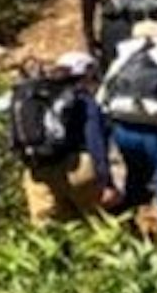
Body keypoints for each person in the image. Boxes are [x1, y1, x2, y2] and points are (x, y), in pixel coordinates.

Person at [94, 10, 157, 237]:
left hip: (124, 130)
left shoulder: (122, 59)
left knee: (136, 175)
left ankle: (133, 228)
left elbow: (102, 98)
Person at [7, 50, 112, 226]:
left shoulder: (29, 94)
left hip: (37, 169)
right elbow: (95, 139)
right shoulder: (81, 98)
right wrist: (105, 180)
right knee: (95, 225)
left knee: (48, 230)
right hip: (77, 167)